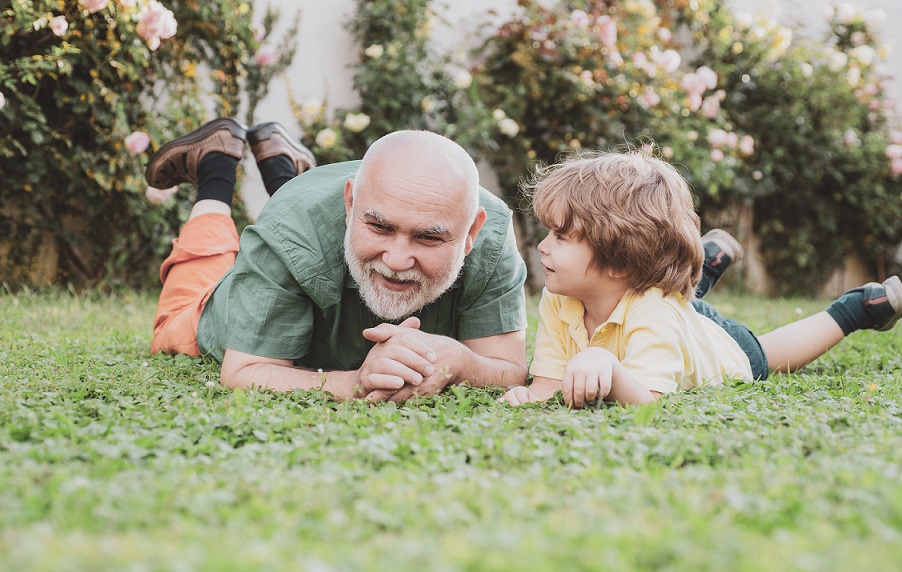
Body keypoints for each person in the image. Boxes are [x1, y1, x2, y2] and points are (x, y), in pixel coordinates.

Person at [146, 118, 528, 401]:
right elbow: (243, 371)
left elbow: (508, 368)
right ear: (350, 204)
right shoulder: (291, 231)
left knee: (310, 230)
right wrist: (355, 382)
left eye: (428, 237)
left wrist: (463, 362)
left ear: (471, 233)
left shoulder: (491, 236)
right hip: (255, 270)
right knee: (176, 316)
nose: (396, 261)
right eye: (379, 227)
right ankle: (215, 166)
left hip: (313, 222)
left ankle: (282, 166)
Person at [502, 151, 902, 408]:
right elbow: (549, 385)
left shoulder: (654, 313)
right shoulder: (560, 297)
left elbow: (647, 403)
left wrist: (605, 362)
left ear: (619, 263)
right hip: (664, 305)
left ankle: (855, 309)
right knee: (676, 295)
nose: (541, 246)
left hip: (718, 344)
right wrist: (528, 396)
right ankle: (706, 261)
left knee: (766, 354)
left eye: (560, 236)